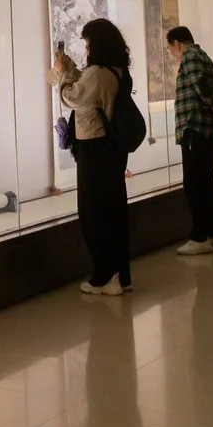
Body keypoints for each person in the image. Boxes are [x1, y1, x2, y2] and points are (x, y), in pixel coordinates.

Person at [55, 18, 134, 296]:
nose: (86, 48)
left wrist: (62, 75)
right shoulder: (116, 70)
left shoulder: (98, 74)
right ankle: (121, 275)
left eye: (88, 43)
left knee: (94, 213)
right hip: (112, 148)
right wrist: (70, 69)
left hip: (95, 148)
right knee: (113, 210)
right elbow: (89, 86)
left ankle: (105, 276)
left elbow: (71, 97)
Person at [167, 26, 213, 255]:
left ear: (176, 44)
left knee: (195, 185)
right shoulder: (204, 57)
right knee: (206, 182)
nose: (172, 54)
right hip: (205, 129)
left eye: (170, 49)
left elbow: (201, 86)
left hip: (194, 127)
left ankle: (200, 236)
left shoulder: (190, 56)